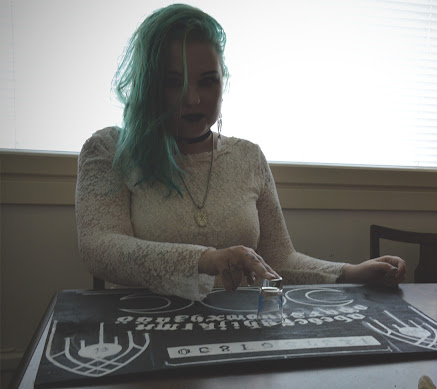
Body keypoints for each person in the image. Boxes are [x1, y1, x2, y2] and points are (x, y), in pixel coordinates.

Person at [76, 3, 406, 301]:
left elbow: (279, 260)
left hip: (240, 326)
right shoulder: (109, 150)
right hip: (146, 325)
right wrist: (206, 260)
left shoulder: (248, 157)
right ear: (149, 85)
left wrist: (349, 272)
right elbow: (100, 249)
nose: (193, 99)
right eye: (175, 82)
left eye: (208, 81)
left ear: (224, 81)